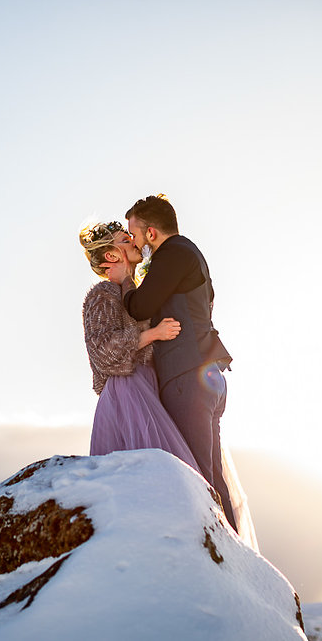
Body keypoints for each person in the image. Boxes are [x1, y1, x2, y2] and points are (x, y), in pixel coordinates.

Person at [104, 195, 238, 532]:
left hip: (187, 377)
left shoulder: (173, 253)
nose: (131, 240)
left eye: (133, 233)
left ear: (151, 233)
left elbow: (140, 306)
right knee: (211, 475)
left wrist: (124, 280)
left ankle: (218, 557)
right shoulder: (190, 254)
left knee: (198, 476)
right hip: (207, 374)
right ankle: (234, 556)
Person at [79, 221, 200, 470]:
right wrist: (153, 334)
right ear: (112, 255)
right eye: (125, 240)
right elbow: (103, 351)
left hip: (149, 384)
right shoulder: (102, 293)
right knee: (157, 471)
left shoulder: (135, 291)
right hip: (127, 391)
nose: (134, 242)